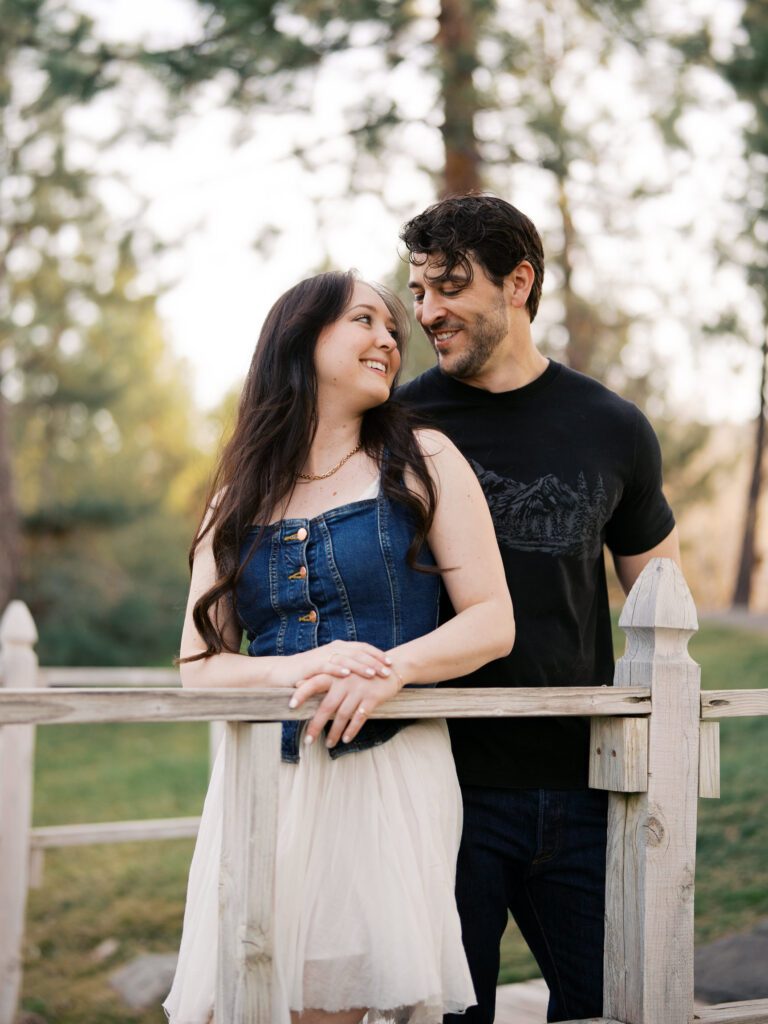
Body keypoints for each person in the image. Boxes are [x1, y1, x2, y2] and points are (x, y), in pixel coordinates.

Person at [162, 269, 515, 1024]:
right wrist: (301, 665)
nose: (390, 338)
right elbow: (198, 668)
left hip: (379, 779)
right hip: (261, 784)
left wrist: (391, 671)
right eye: (366, 320)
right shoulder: (237, 495)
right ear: (302, 338)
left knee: (326, 1005)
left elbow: (491, 620)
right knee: (250, 997)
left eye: (393, 327)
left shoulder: (424, 460)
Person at [396, 194, 681, 1024]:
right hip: (441, 781)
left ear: (518, 282)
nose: (427, 312)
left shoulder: (612, 427)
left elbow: (662, 605)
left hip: (583, 786)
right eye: (418, 291)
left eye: (449, 286)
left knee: (613, 1004)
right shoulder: (400, 426)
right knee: (450, 1014)